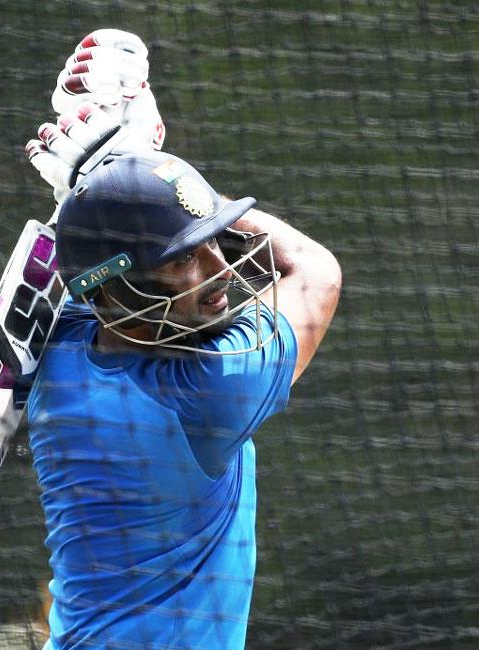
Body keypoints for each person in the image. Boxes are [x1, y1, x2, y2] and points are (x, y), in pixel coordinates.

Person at [25, 30, 342, 649]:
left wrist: (126, 176)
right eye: (179, 263)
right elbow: (315, 270)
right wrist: (124, 160)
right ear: (115, 291)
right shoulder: (210, 390)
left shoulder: (64, 346)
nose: (220, 271)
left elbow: (88, 260)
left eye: (210, 244)